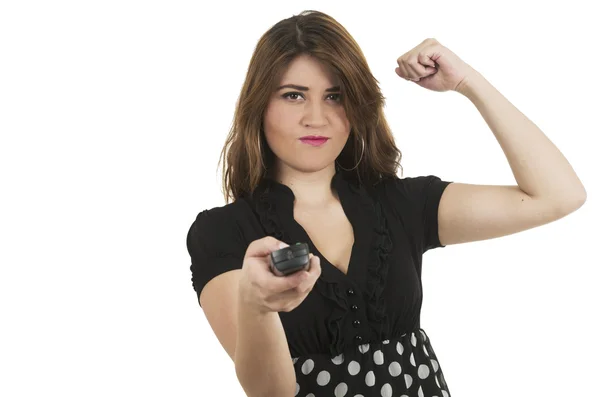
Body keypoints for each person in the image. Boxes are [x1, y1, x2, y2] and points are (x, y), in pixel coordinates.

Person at [185, 10, 586, 397]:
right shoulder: (222, 232)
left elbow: (558, 195)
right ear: (260, 106)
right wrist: (258, 306)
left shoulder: (401, 205)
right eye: (293, 96)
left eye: (335, 96)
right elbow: (269, 392)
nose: (316, 117)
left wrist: (468, 82)